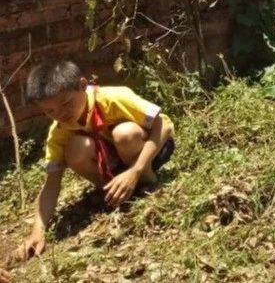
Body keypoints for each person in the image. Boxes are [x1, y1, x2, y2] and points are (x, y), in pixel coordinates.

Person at [14, 61, 175, 263]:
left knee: (125, 134)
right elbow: (51, 184)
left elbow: (164, 126)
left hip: (152, 149)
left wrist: (136, 170)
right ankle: (114, 191)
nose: (60, 114)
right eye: (50, 111)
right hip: (116, 160)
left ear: (83, 85)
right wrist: (37, 231)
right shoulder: (59, 131)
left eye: (66, 104)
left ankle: (146, 181)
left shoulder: (113, 98)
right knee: (75, 148)